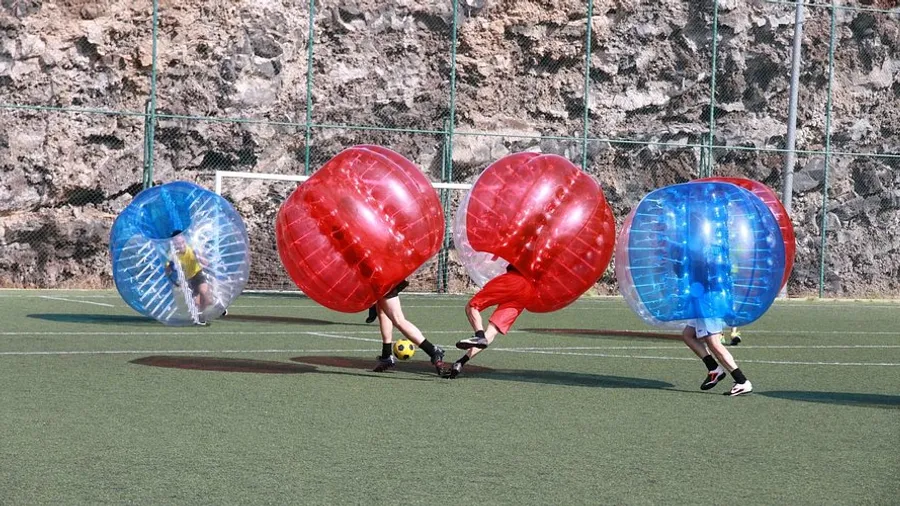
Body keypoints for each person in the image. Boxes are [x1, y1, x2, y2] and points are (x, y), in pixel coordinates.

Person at [446, 264, 536, 379]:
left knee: (472, 306)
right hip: (527, 290)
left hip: (513, 280)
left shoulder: (524, 254)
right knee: (492, 331)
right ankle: (461, 362)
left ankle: (479, 335)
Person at [372, 279, 446, 375]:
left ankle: (433, 351)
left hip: (382, 280)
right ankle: (386, 355)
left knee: (398, 320)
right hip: (380, 280)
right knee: (382, 311)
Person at [681, 318, 752, 396]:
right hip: (699, 312)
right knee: (688, 335)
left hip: (708, 312)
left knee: (714, 343)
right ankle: (714, 369)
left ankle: (742, 381)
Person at [165, 231, 221, 325]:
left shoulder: (192, 249)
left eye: (182, 242)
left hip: (197, 274)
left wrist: (198, 257)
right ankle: (200, 315)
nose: (181, 245)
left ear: (184, 240)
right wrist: (170, 267)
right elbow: (167, 271)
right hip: (187, 279)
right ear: (173, 244)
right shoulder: (172, 255)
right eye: (177, 243)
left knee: (205, 295)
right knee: (196, 303)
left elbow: (206, 263)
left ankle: (208, 308)